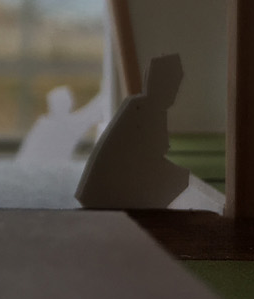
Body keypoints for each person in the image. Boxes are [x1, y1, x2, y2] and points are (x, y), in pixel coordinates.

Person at [75, 53, 191, 209]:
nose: (174, 93)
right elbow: (150, 153)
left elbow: (156, 150)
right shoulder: (142, 108)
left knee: (180, 176)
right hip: (113, 184)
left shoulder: (153, 109)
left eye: (176, 88)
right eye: (172, 87)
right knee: (178, 177)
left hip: (127, 175)